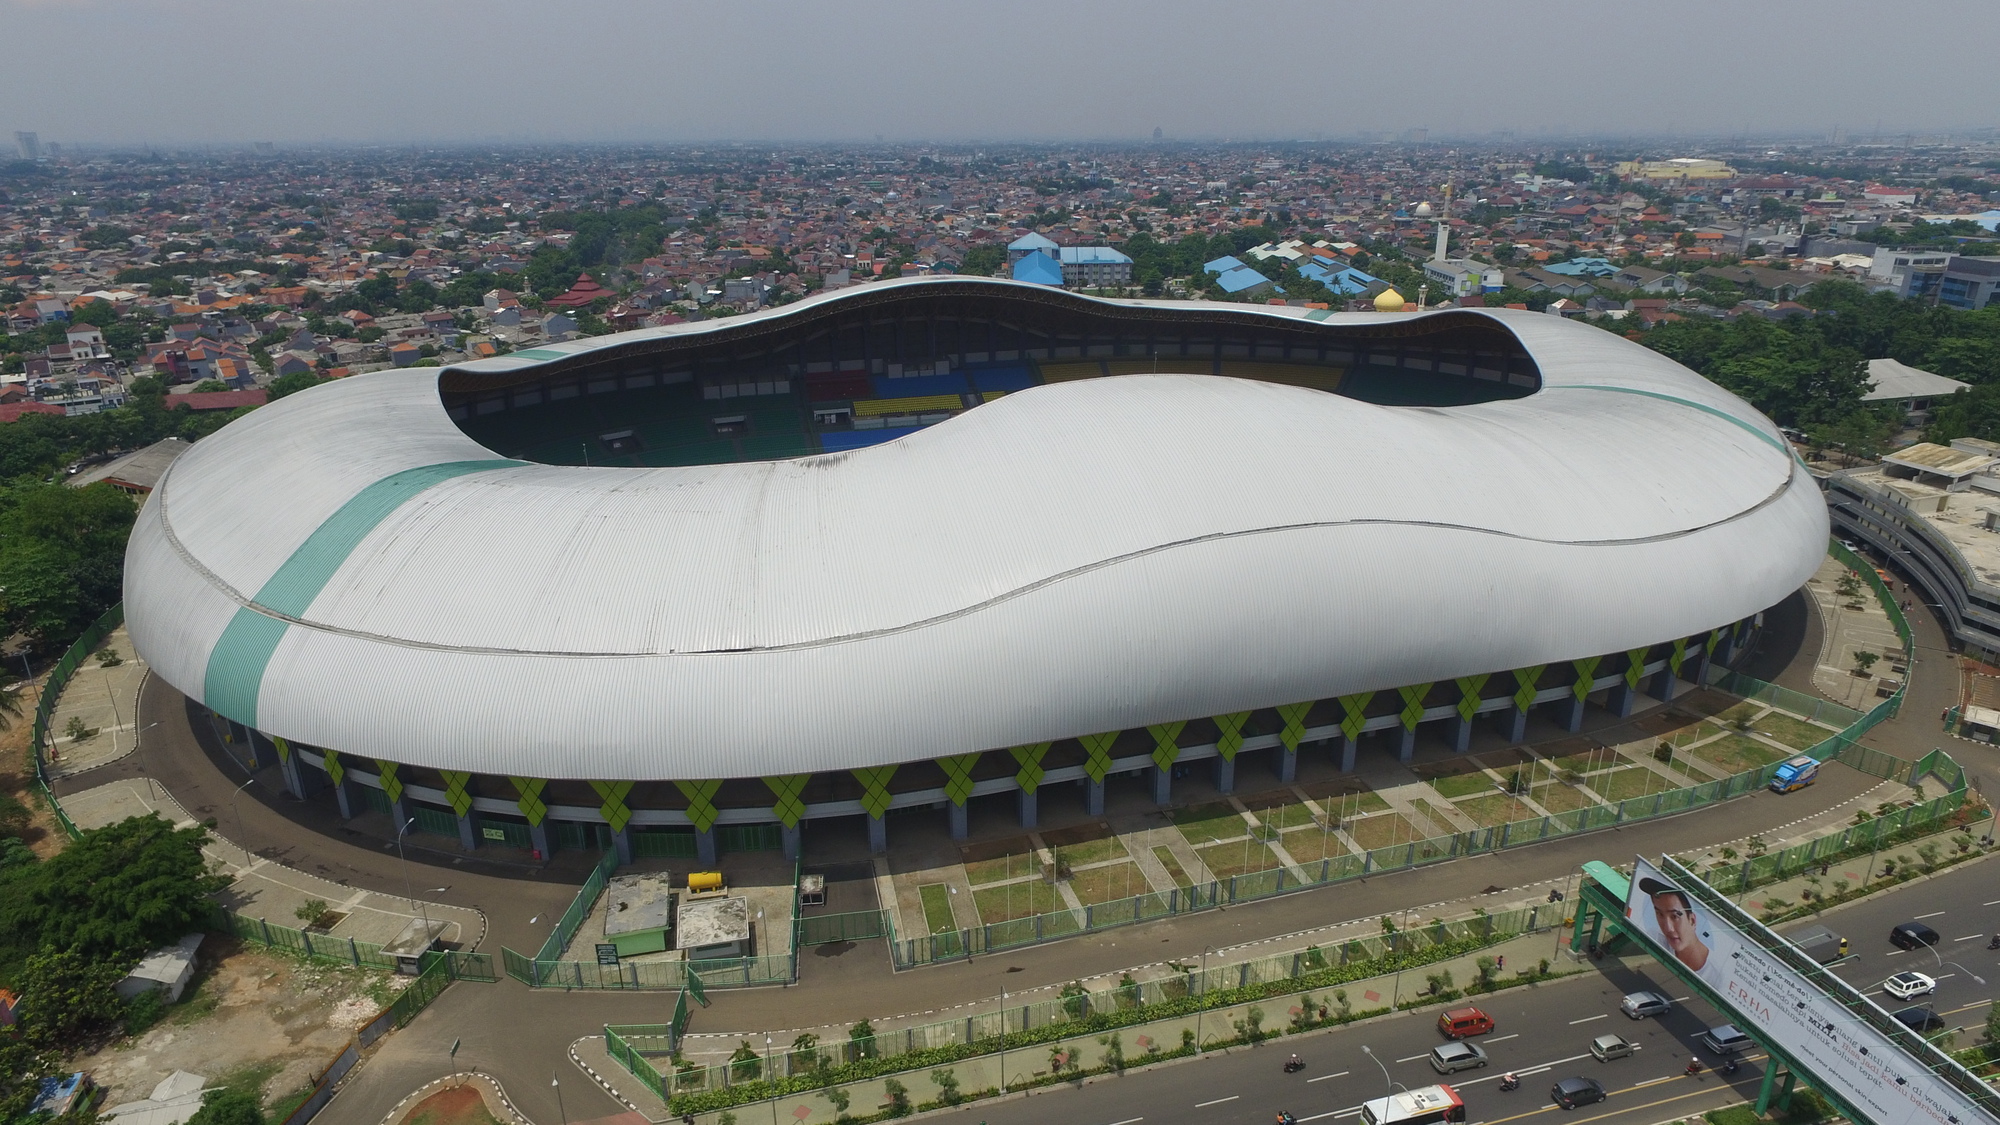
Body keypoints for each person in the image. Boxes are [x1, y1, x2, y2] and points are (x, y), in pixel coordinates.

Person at [1635, 875, 1727, 991]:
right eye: (1660, 914)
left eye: (1675, 916)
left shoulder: (1718, 978)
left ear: (1692, 920)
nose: (1668, 928)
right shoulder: (1656, 938)